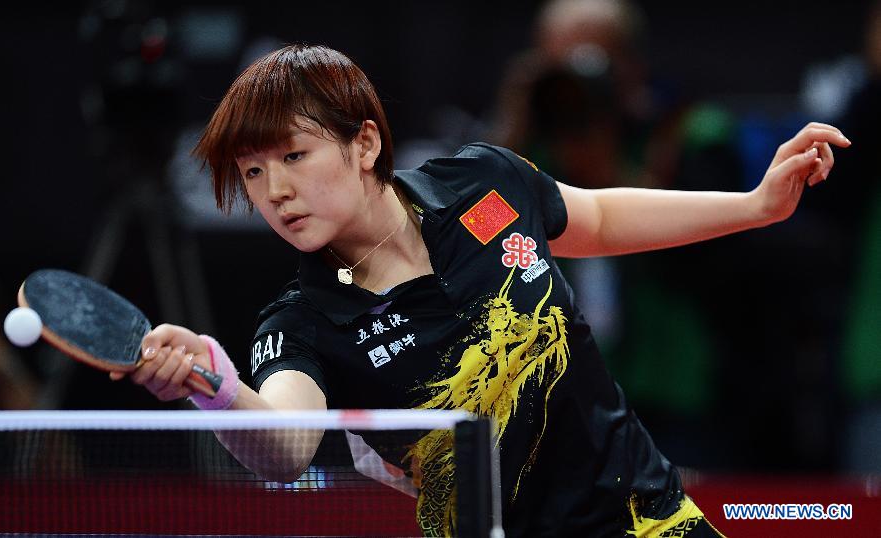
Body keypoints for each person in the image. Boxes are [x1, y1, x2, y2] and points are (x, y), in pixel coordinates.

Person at [110, 44, 849, 537]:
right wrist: (210, 385)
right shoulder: (304, 322)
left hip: (649, 517)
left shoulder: (480, 186)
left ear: (364, 143)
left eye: (294, 156)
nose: (275, 191)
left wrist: (755, 205)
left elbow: (594, 214)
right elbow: (286, 445)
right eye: (251, 172)